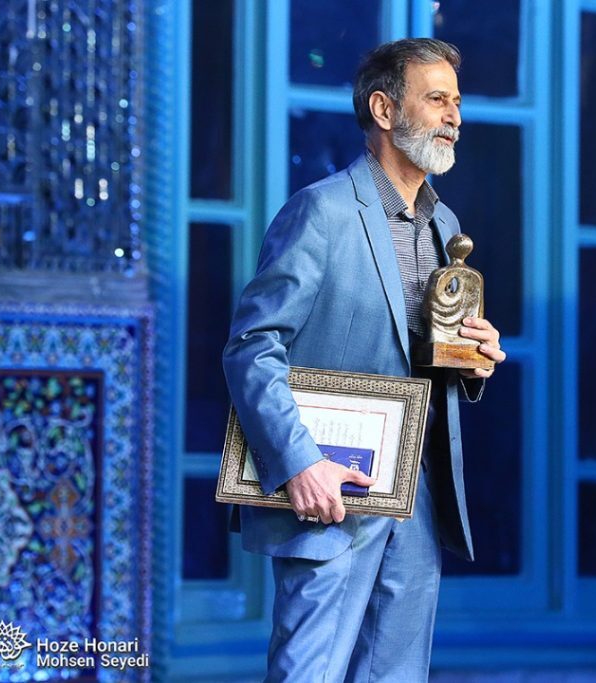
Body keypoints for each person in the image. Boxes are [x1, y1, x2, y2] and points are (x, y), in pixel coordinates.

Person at [221, 38, 505, 682]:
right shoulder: (320, 211)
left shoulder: (445, 225)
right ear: (384, 109)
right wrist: (299, 462)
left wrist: (472, 360)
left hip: (419, 493)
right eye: (437, 100)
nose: (454, 116)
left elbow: (413, 350)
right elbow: (251, 346)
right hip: (333, 492)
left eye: (457, 102)